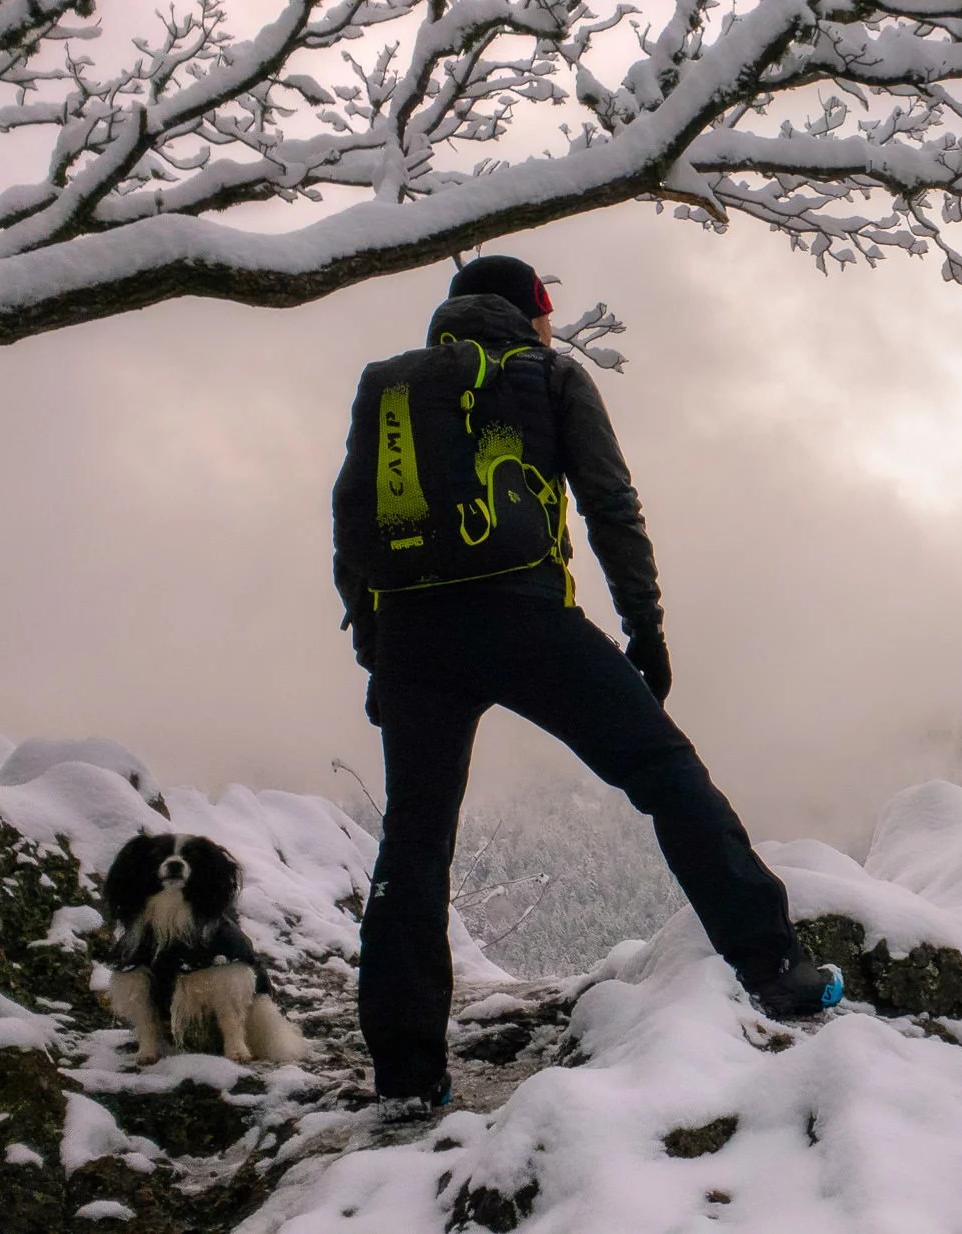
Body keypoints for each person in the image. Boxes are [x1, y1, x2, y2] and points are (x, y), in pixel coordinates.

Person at [333, 255, 841, 1110]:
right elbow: (611, 506)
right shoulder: (549, 375)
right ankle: (775, 967)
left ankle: (406, 1074)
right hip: (526, 617)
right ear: (531, 313)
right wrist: (645, 629)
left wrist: (379, 649)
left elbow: (353, 519)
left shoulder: (387, 386)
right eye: (546, 312)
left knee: (415, 843)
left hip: (416, 632)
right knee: (665, 772)